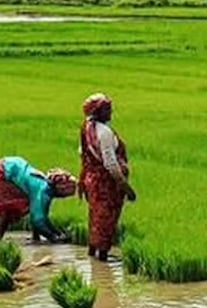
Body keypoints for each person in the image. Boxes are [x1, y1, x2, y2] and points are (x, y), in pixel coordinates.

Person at [79, 93, 135, 262]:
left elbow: (82, 153)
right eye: (107, 109)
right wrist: (126, 187)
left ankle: (92, 252)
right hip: (106, 184)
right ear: (98, 112)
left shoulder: (86, 127)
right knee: (107, 219)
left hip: (91, 180)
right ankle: (103, 258)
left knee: (95, 216)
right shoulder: (104, 132)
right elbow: (110, 163)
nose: (111, 112)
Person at [0, 157, 76, 242]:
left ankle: (35, 237)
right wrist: (54, 237)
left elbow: (43, 216)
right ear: (60, 188)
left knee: (28, 206)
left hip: (14, 168)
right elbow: (38, 221)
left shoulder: (46, 188)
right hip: (6, 172)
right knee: (6, 210)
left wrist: (58, 233)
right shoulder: (43, 192)